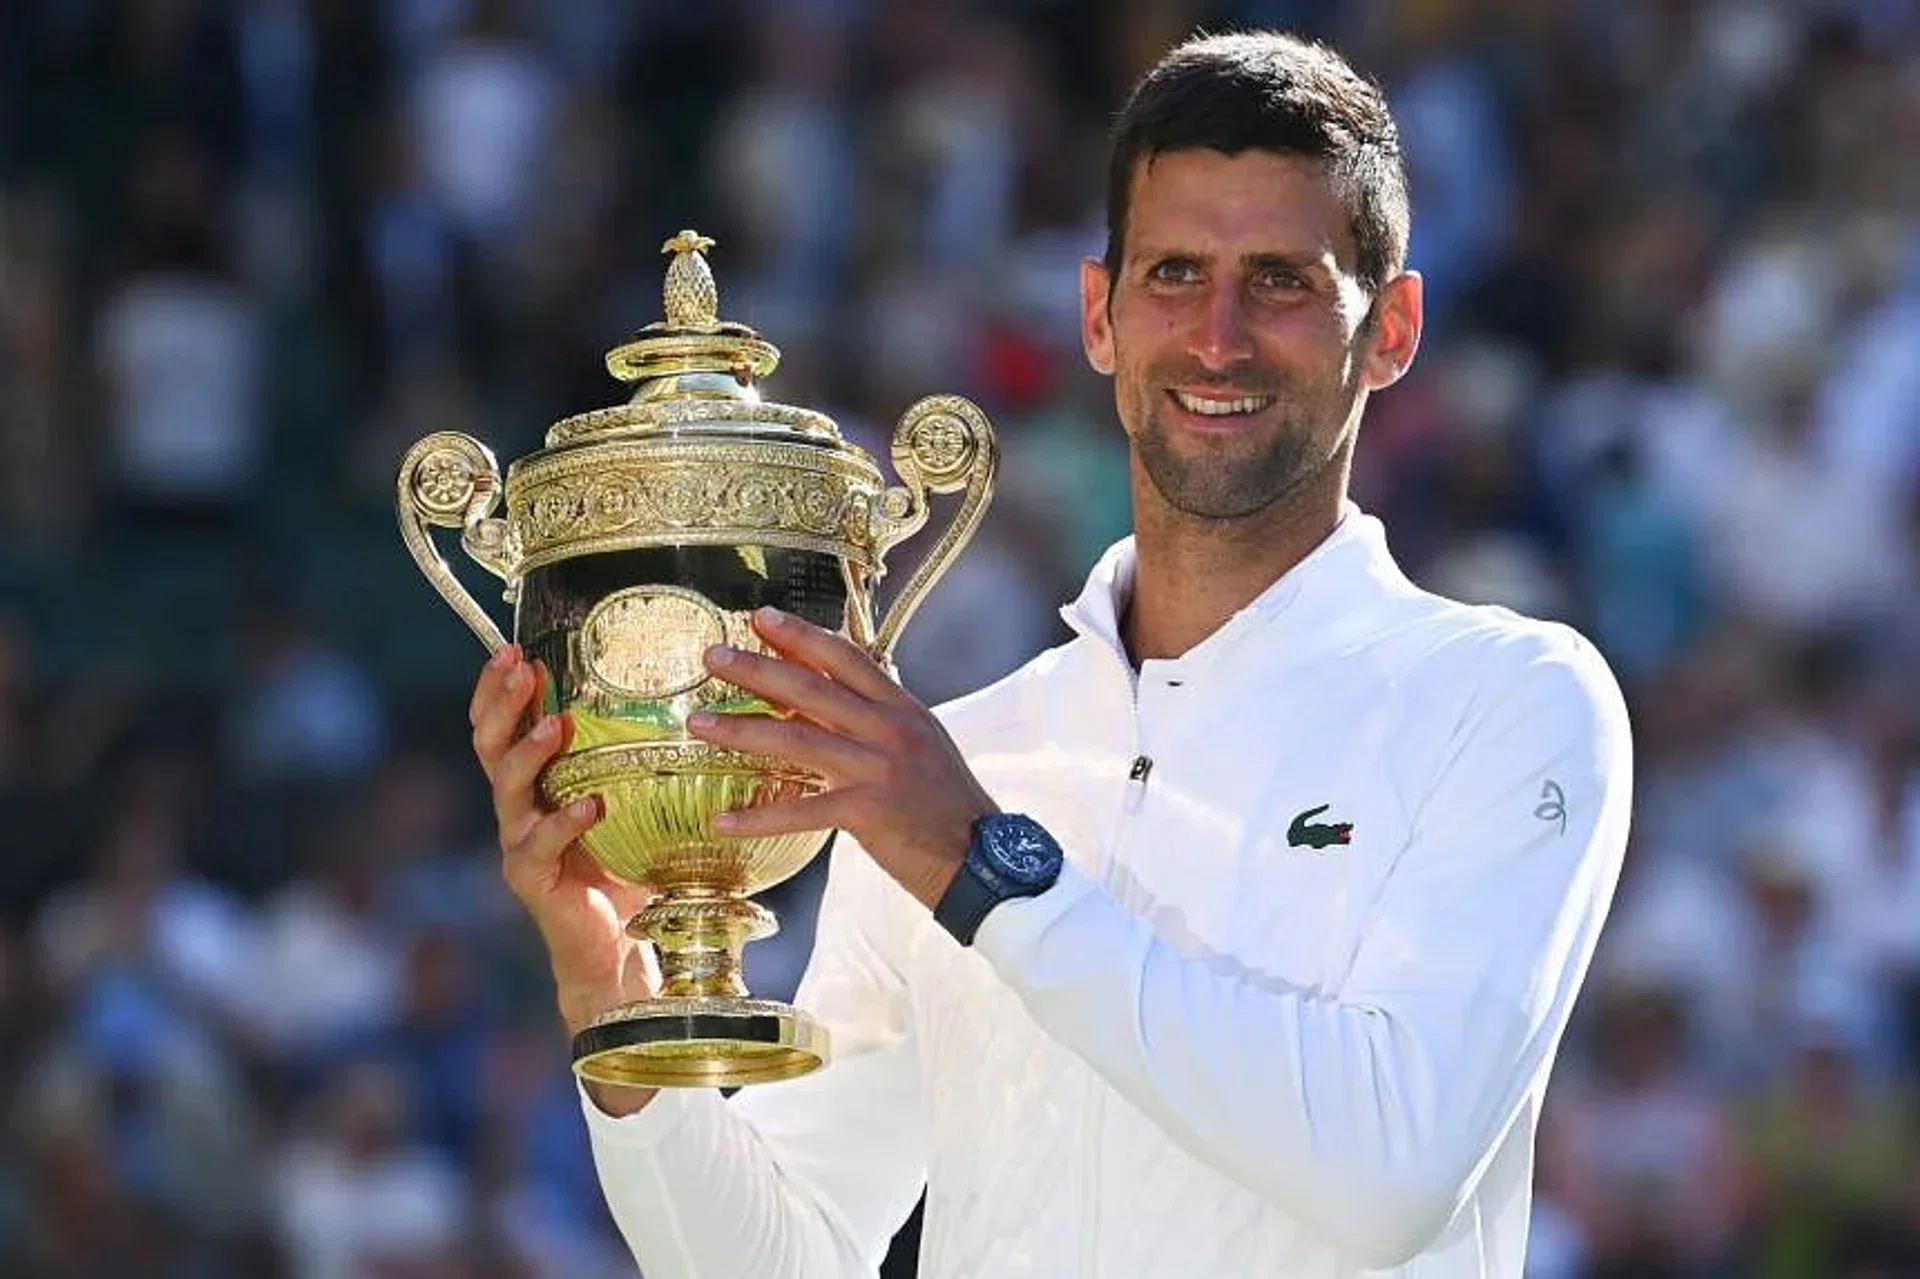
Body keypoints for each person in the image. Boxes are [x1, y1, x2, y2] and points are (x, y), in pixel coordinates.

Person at [467, 30, 1633, 1278]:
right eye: (1175, 274)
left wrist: (982, 867)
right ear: (1099, 315)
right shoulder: (955, 761)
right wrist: (609, 985)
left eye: (1284, 281)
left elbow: (1390, 1173)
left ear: (1391, 328)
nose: (1220, 338)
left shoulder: (1508, 700)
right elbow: (777, 1259)